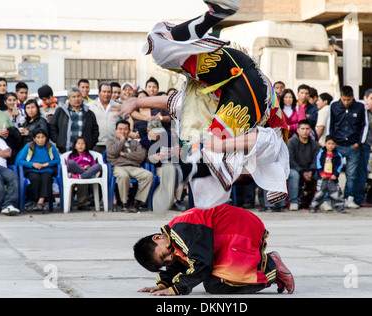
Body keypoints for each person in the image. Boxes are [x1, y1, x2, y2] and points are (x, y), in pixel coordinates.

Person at [114, 0, 289, 211]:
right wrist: (223, 145)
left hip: (227, 81)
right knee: (212, 150)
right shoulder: (267, 156)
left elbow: (174, 103)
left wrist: (137, 101)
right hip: (249, 84)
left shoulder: (219, 133)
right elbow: (263, 139)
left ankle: (180, 174)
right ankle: (215, 14)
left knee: (161, 50)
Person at [134, 204, 295, 296]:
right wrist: (164, 283)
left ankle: (271, 267)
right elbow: (181, 261)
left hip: (239, 230)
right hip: (230, 233)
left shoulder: (180, 231)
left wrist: (177, 289)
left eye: (163, 256)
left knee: (215, 285)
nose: (169, 259)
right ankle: (265, 261)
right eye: (164, 262)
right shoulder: (175, 236)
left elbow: (202, 265)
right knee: (212, 281)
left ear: (157, 237)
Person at [326, 85, 367, 209]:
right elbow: (330, 124)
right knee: (333, 173)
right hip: (337, 145)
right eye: (344, 100)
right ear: (340, 97)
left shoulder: (360, 106)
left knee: (352, 174)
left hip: (353, 146)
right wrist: (331, 143)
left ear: (353, 97)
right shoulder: (334, 105)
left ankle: (349, 198)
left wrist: (359, 143)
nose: (346, 102)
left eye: (348, 100)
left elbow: (364, 126)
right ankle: (333, 198)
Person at [106, 120, 153, 213]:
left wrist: (124, 155)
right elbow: (112, 153)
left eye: (125, 129)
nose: (122, 132)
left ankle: (137, 202)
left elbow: (141, 156)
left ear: (129, 131)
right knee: (123, 176)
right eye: (120, 129)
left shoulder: (135, 143)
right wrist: (122, 140)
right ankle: (124, 203)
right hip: (118, 167)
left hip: (134, 167)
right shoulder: (111, 141)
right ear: (116, 130)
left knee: (148, 175)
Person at [139, 118, 185, 212]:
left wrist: (179, 152)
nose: (158, 135)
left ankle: (177, 200)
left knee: (180, 174)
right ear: (148, 131)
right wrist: (153, 158)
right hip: (158, 167)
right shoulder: (144, 142)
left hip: (172, 163)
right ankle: (173, 202)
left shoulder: (168, 136)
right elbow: (142, 159)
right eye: (155, 132)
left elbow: (179, 155)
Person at [15, 128, 60, 212]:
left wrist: (47, 164)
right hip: (32, 170)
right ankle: (35, 201)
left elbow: (58, 160)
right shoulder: (29, 146)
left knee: (47, 177)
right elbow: (19, 160)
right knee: (35, 178)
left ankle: (40, 201)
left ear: (46, 138)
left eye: (43, 137)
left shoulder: (50, 146)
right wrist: (33, 164)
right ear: (34, 139)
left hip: (47, 169)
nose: (40, 140)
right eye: (38, 137)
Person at [354, 89, 372, 208]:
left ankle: (358, 198)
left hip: (367, 145)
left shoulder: (371, 112)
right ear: (365, 98)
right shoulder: (359, 108)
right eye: (371, 98)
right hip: (358, 144)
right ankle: (356, 198)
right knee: (357, 172)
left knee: (362, 172)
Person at [49, 87, 99, 154]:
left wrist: (90, 144)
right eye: (74, 97)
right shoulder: (61, 112)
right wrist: (59, 141)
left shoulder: (89, 113)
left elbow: (95, 131)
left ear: (82, 97)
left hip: (84, 153)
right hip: (65, 150)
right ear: (68, 99)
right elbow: (52, 127)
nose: (76, 99)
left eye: (78, 96)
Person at [287, 120, 319, 211]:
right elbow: (290, 160)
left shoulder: (315, 144)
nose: (305, 131)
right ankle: (294, 202)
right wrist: (301, 172)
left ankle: (321, 201)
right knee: (294, 175)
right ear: (297, 130)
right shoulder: (291, 142)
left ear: (310, 131)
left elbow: (316, 160)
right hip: (295, 169)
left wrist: (311, 171)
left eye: (307, 129)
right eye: (302, 129)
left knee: (321, 174)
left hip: (310, 170)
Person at [309, 135, 345, 213]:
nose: (330, 146)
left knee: (335, 193)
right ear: (325, 144)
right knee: (319, 193)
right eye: (329, 143)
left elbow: (340, 165)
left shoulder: (338, 155)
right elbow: (318, 163)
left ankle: (339, 206)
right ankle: (314, 206)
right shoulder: (321, 153)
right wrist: (321, 173)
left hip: (332, 178)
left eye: (332, 144)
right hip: (323, 178)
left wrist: (335, 174)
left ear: (335, 145)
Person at [88, 82, 122, 154]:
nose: (106, 94)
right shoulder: (90, 106)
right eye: (104, 92)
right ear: (99, 93)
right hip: (96, 145)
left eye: (109, 92)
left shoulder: (118, 106)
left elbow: (128, 118)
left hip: (113, 144)